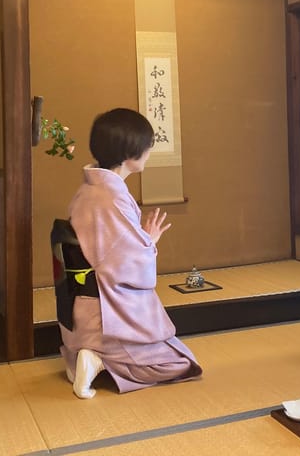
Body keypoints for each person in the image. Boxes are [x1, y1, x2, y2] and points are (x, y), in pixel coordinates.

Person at [57, 107, 202, 399]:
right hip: (107, 317)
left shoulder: (89, 190)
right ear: (129, 154)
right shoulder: (111, 199)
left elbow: (111, 250)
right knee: (179, 363)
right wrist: (149, 241)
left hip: (83, 308)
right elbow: (123, 265)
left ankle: (82, 358)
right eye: (147, 147)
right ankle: (98, 358)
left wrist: (142, 241)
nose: (149, 152)